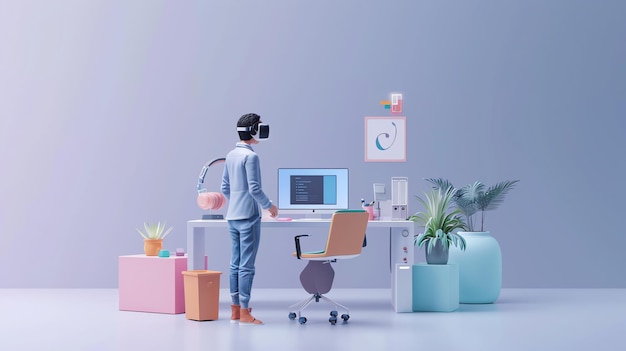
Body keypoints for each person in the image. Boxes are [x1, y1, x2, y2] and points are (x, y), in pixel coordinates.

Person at [221, 113, 278, 325]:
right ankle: (245, 312)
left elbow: (224, 188)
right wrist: (269, 206)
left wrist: (236, 201)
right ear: (253, 130)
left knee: (235, 263)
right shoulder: (251, 157)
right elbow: (255, 189)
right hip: (249, 217)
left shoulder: (230, 155)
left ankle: (235, 309)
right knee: (247, 266)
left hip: (233, 216)